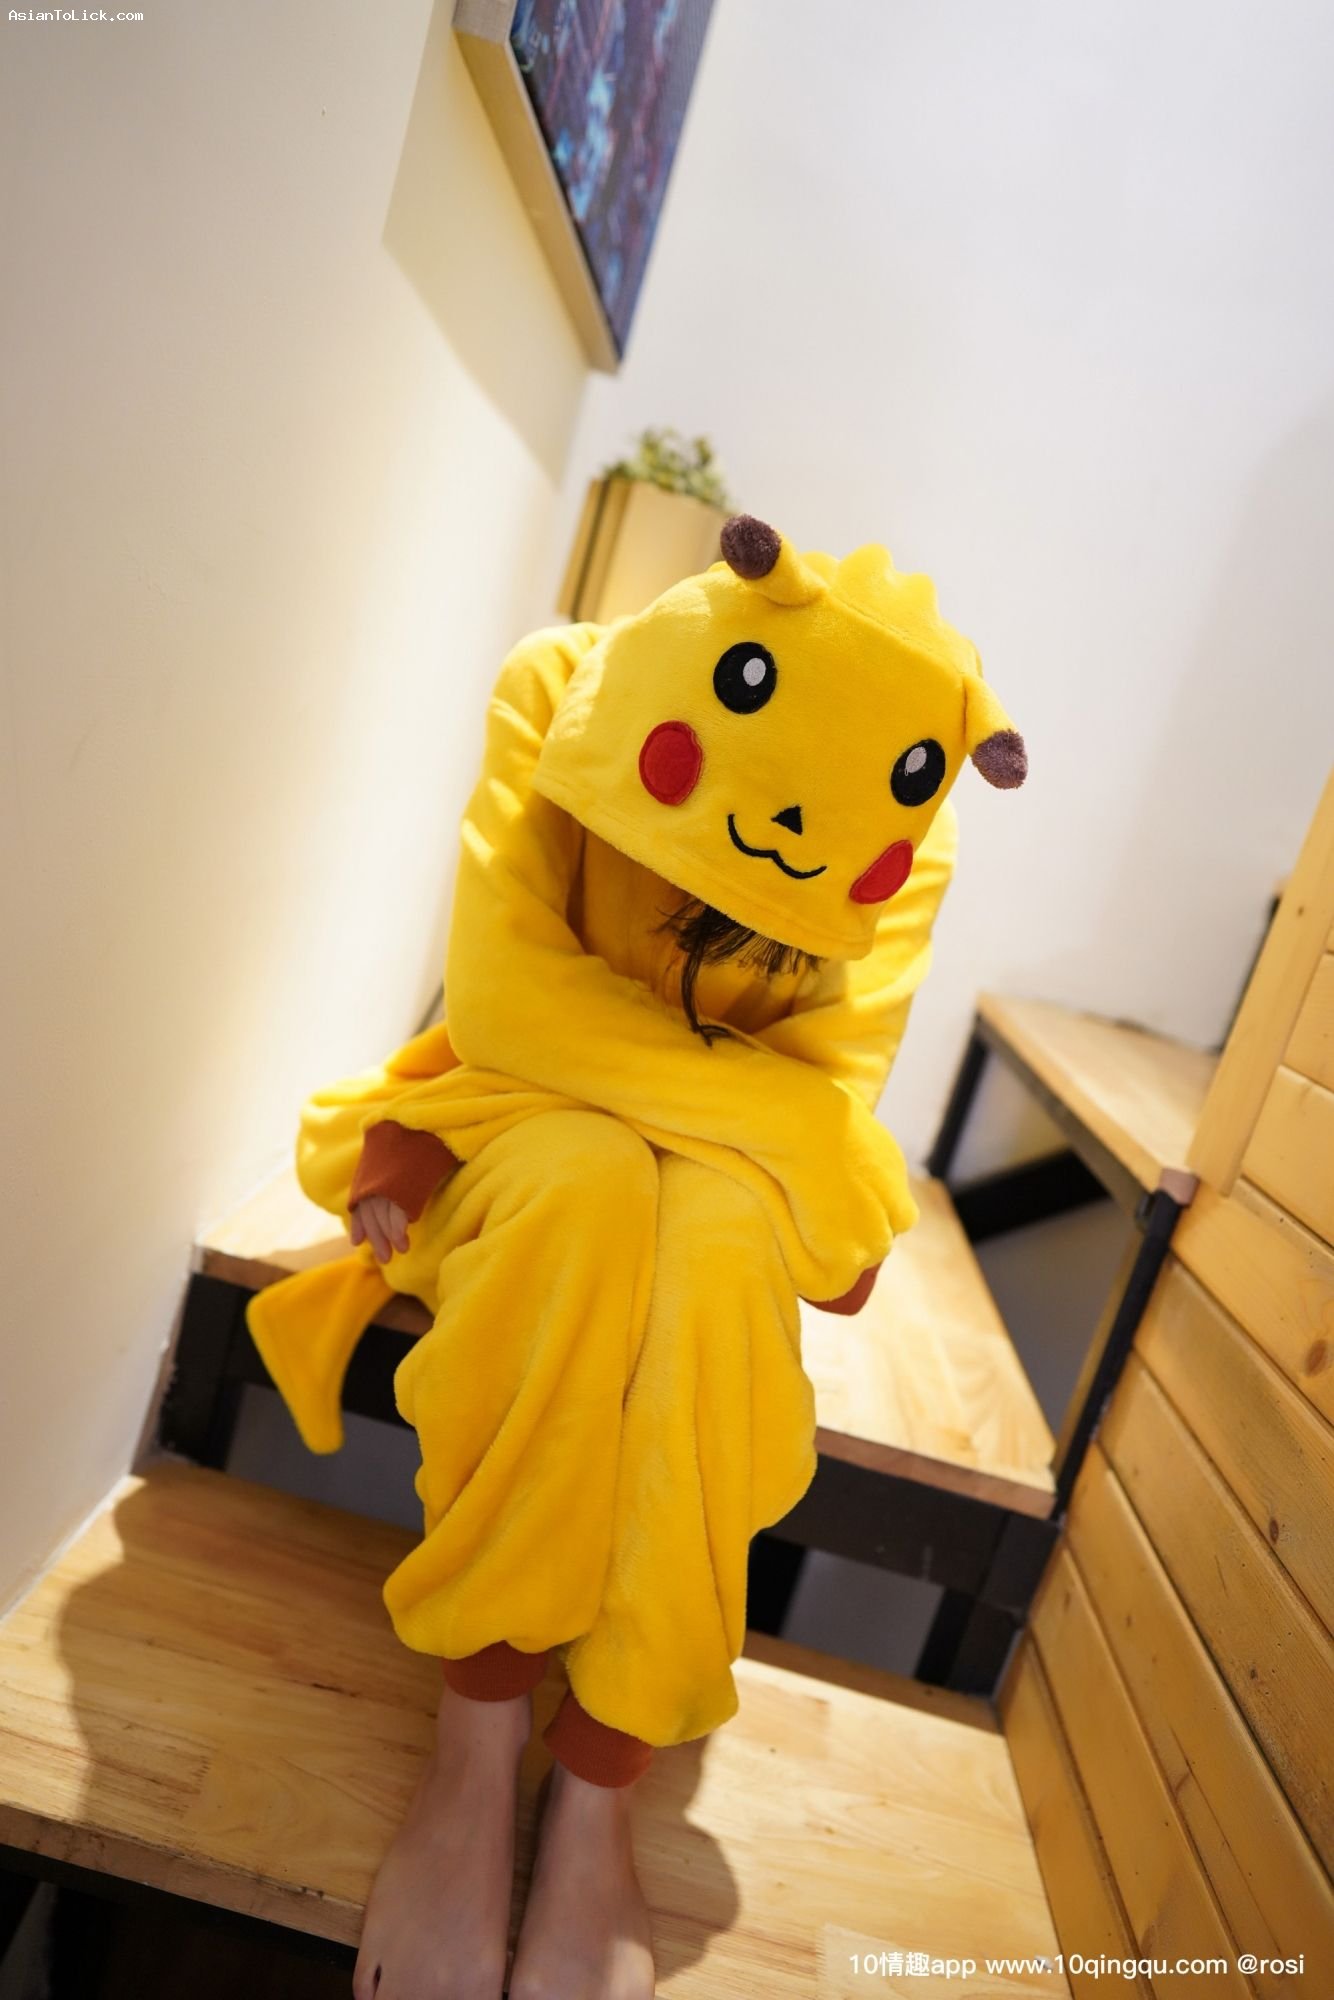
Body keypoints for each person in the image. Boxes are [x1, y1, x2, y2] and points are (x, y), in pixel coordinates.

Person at [247, 514, 1026, 1999]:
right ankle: (478, 1746)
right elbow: (509, 1004)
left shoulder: (903, 829)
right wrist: (801, 1144)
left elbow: (828, 1085)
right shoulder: (561, 684)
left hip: (714, 1184)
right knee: (588, 1184)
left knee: (716, 1246)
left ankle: (601, 1776)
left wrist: (770, 1132)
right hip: (507, 1121)